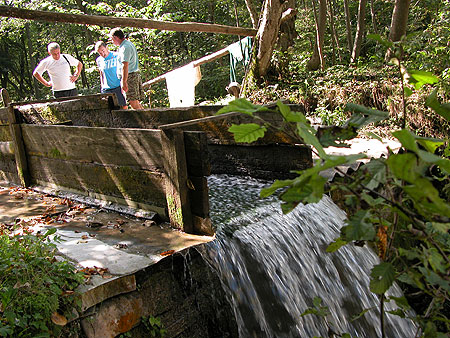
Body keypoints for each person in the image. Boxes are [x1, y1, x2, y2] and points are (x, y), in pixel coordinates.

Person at [109, 28, 144, 109]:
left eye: (111, 39)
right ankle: (147, 120)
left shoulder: (125, 47)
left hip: (130, 77)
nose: (112, 42)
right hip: (131, 75)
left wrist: (124, 82)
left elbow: (125, 65)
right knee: (135, 102)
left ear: (116, 37)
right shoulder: (126, 45)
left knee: (133, 102)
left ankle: (143, 121)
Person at [95, 41, 127, 109]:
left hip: (118, 86)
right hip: (107, 89)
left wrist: (123, 83)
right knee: (110, 108)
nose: (102, 54)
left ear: (106, 48)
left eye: (103, 51)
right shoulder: (99, 60)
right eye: (100, 53)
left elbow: (123, 69)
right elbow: (101, 74)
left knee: (123, 106)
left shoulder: (116, 55)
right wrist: (102, 86)